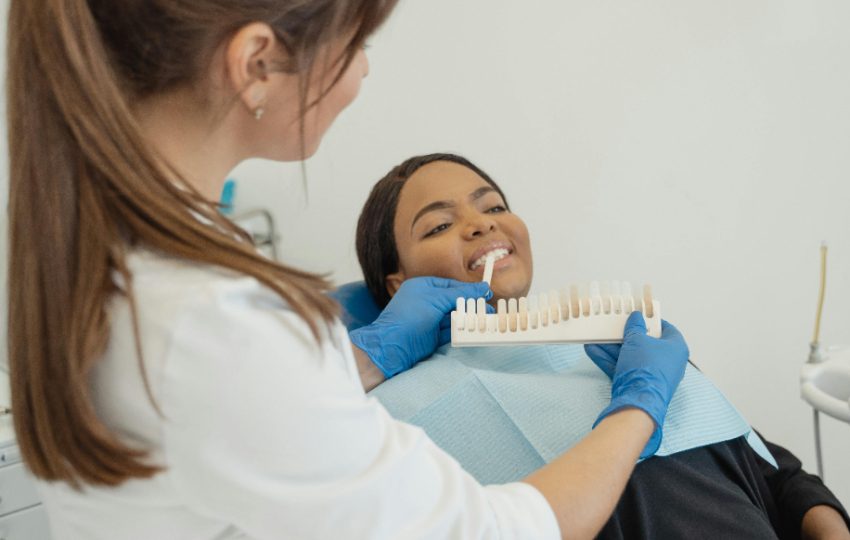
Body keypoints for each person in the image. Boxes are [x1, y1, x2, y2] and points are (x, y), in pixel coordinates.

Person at [7, 2, 694, 539]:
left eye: (491, 205)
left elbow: (244, 418)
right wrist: (637, 407)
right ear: (256, 63)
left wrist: (356, 360)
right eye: (355, 41)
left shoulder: (111, 258)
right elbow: (499, 531)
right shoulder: (215, 322)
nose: (363, 73)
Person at [354, 152, 850, 540]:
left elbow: (772, 468)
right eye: (439, 225)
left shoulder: (623, 341)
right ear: (397, 286)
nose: (483, 223)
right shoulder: (385, 418)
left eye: (495, 206)